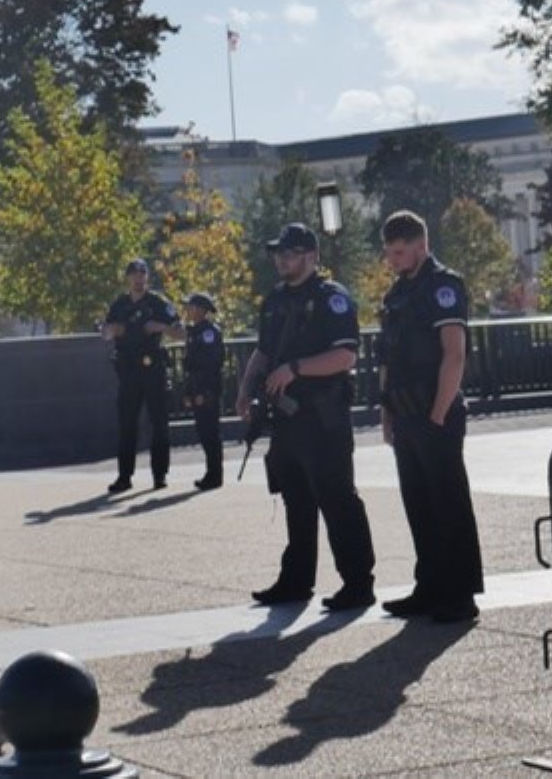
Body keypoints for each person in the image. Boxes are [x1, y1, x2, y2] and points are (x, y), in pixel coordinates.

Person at [238, 223, 375, 611]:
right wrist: (246, 390)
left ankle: (358, 583)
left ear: (312, 257)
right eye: (279, 253)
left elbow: (346, 356)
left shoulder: (332, 298)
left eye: (291, 252)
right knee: (296, 501)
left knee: (337, 500)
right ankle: (296, 580)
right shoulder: (275, 300)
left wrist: (296, 369)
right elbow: (263, 353)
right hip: (287, 421)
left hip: (323, 418)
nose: (282, 259)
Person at [376, 210, 484, 623]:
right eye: (389, 252)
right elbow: (387, 357)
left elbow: (454, 352)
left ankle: (460, 594)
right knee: (418, 503)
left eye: (400, 252)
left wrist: (439, 411)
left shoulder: (443, 286)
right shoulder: (397, 294)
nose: (393, 259)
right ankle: (431, 586)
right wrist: (386, 414)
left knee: (448, 503)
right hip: (405, 414)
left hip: (435, 412)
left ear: (422, 246)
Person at [103, 259, 181, 493]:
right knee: (127, 425)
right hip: (128, 371)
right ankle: (124, 476)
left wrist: (161, 328)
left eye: (142, 274)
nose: (138, 278)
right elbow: (104, 333)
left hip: (153, 368)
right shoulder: (119, 305)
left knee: (159, 423)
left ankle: (160, 475)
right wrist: (111, 331)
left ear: (147, 277)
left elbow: (181, 332)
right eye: (134, 274)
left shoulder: (158, 303)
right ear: (127, 277)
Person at [181, 292, 225, 491]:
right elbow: (190, 368)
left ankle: (215, 475)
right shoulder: (195, 331)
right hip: (197, 387)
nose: (188, 311)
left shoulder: (209, 332)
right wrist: (188, 392)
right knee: (203, 431)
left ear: (200, 309)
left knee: (210, 432)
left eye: (191, 307)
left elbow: (210, 365)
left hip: (207, 389)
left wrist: (204, 392)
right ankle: (211, 472)